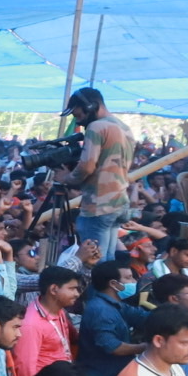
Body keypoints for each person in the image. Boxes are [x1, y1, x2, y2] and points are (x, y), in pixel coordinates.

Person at [65, 86, 135, 259]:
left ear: (91, 107)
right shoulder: (124, 127)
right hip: (119, 202)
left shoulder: (97, 127)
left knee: (94, 262)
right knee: (107, 259)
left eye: (79, 116)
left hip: (99, 204)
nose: (79, 122)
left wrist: (67, 178)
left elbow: (87, 167)